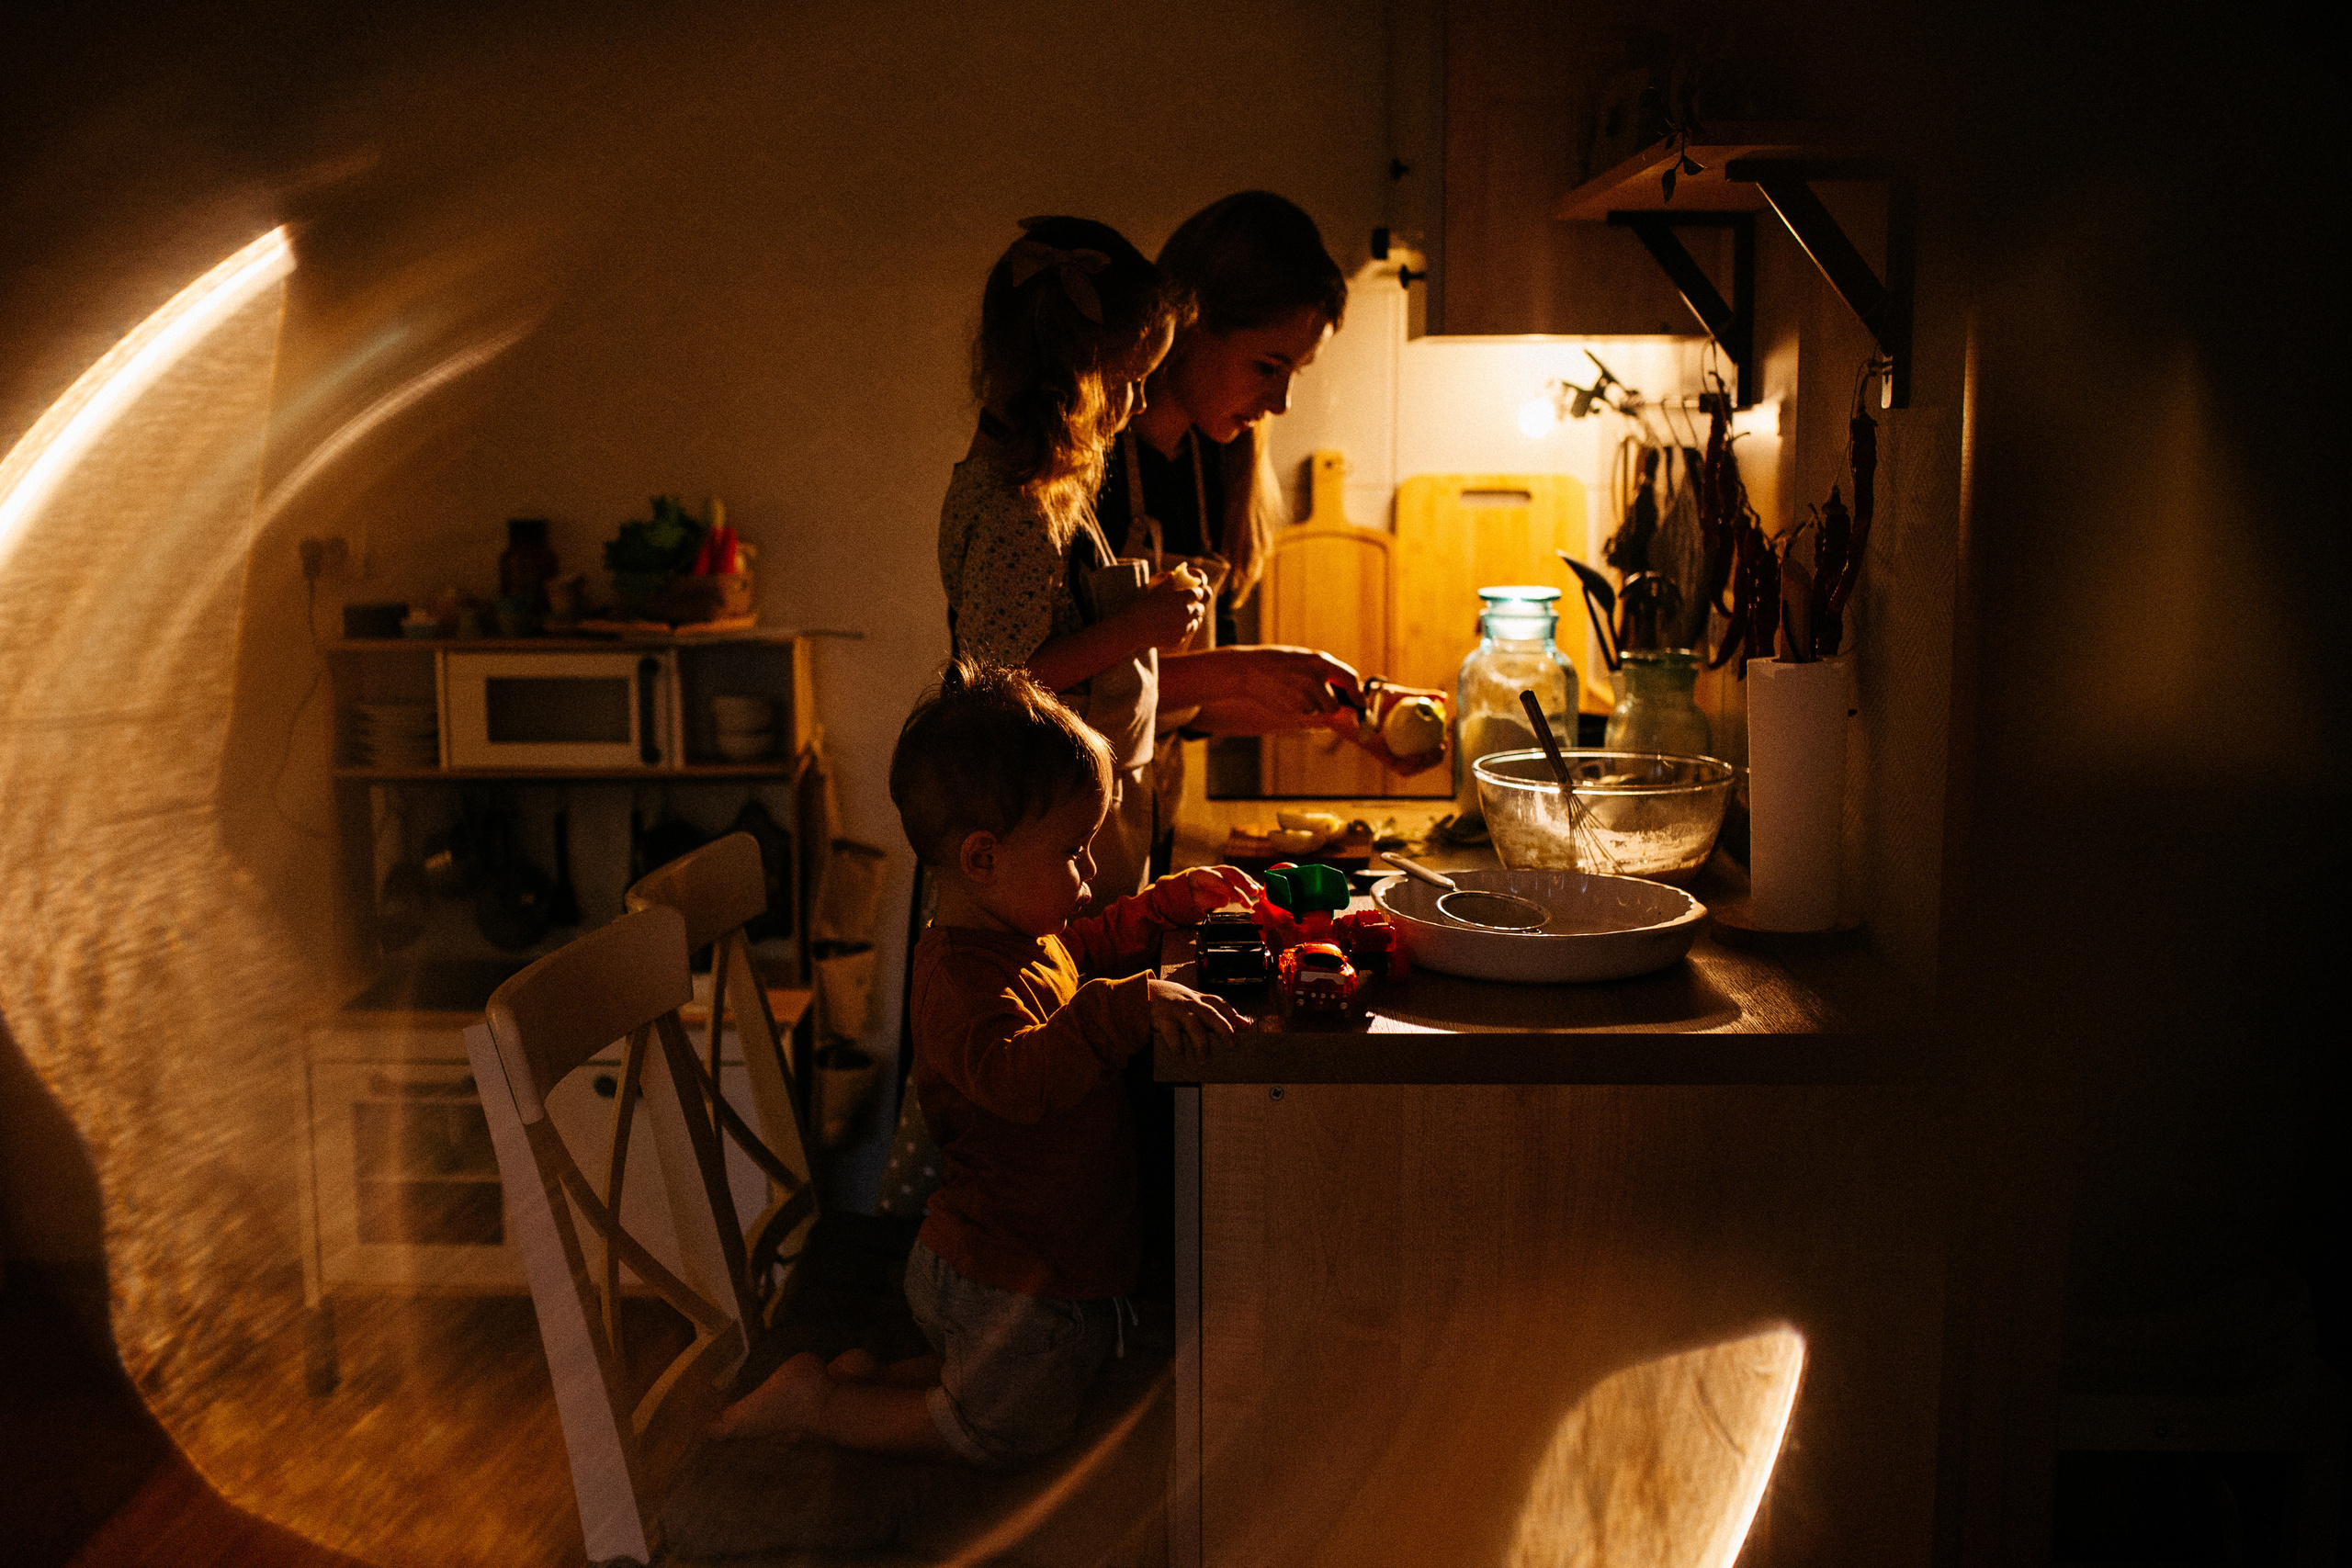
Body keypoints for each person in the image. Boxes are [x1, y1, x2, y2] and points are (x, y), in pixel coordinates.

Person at [709, 660, 1256, 1464]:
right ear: (983, 859)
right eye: (1073, 851)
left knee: (1010, 1379)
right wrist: (1130, 1003)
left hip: (1029, 1269)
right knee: (1003, 1431)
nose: (1087, 873)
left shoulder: (1015, 935)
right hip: (1006, 1277)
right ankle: (820, 1404)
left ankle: (866, 1378)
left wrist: (1159, 908)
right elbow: (1016, 1077)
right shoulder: (956, 981)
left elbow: (1074, 955)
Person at [1091, 191, 1446, 874]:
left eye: (1295, 372)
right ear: (1186, 326)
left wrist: (1347, 717)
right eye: (1266, 366)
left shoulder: (1213, 462)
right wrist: (1250, 667)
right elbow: (1057, 687)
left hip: (1139, 833)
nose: (1281, 402)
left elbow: (1184, 704)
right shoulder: (1085, 463)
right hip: (1037, 848)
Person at [938, 215, 1213, 908]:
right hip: (1033, 834)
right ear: (1077, 380)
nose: (1142, 400)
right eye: (1131, 379)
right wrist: (1141, 624)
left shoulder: (1034, 484)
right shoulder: (1017, 507)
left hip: (1051, 820)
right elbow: (1002, 678)